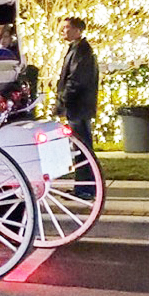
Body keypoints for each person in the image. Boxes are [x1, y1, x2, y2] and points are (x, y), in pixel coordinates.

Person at [55, 17, 99, 199]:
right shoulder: (77, 49)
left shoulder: (81, 51)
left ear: (78, 30)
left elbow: (76, 80)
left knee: (83, 148)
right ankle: (84, 187)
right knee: (81, 147)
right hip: (79, 106)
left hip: (78, 106)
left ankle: (86, 188)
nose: (63, 31)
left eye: (67, 27)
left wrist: (63, 99)